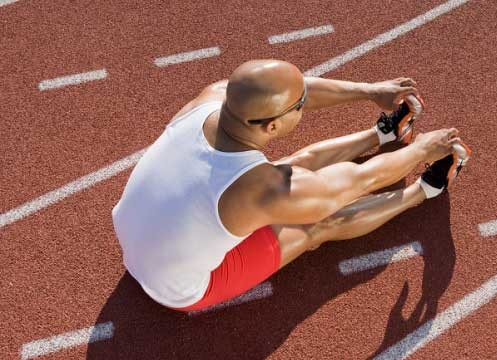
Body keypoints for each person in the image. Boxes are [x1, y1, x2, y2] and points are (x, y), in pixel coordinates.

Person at [111, 59, 471, 312]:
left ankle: (384, 133)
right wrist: (424, 148)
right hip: (176, 287)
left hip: (135, 236)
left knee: (296, 166)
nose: (305, 106)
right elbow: (362, 180)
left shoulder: (215, 97)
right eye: (298, 108)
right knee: (319, 222)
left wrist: (369, 91)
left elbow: (297, 92)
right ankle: (425, 190)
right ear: (270, 127)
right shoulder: (258, 188)